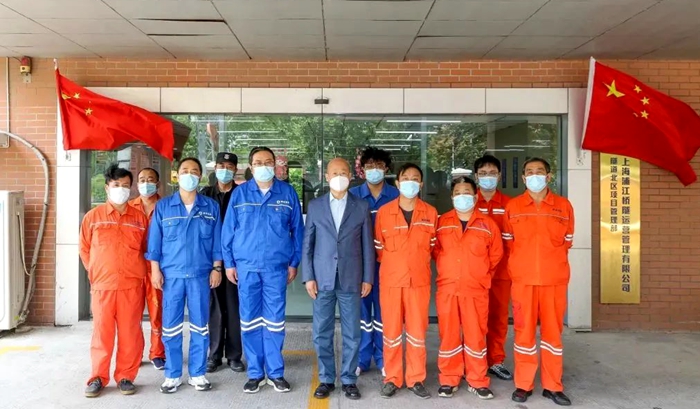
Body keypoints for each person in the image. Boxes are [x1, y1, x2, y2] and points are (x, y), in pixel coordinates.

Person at [222, 147, 304, 394]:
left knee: (275, 322)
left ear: (275, 165)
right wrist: (229, 263)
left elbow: (297, 231)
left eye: (268, 162)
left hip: (276, 268)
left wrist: (294, 262)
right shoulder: (240, 194)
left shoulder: (287, 193)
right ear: (250, 166)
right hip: (246, 268)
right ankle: (255, 373)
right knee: (249, 321)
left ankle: (276, 373)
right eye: (258, 162)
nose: (264, 166)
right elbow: (228, 230)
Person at [146, 157, 223, 394]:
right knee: (171, 327)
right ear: (177, 175)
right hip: (172, 276)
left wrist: (217, 268)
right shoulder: (163, 207)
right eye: (185, 170)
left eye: (194, 171)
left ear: (200, 176)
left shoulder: (210, 207)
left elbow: (217, 241)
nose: (189, 174)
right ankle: (172, 374)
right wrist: (155, 270)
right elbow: (154, 242)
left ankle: (197, 374)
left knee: (200, 326)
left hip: (201, 275)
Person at [502, 158, 574, 406]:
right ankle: (524, 384)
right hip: (523, 281)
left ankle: (553, 386)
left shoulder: (563, 206)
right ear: (523, 178)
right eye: (530, 172)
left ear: (549, 176)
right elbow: (509, 242)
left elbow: (567, 240)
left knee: (553, 334)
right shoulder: (513, 206)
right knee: (524, 334)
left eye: (539, 171)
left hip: (554, 280)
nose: (535, 176)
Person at [302, 158, 375, 401]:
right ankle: (326, 379)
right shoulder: (315, 206)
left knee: (352, 332)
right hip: (322, 278)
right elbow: (308, 244)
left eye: (343, 172)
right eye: (335, 173)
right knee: (321, 331)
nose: (339, 176)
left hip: (351, 278)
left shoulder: (361, 206)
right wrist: (308, 277)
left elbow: (367, 246)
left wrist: (367, 278)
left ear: (351, 176)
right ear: (326, 177)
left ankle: (349, 379)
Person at [79, 164, 148, 398]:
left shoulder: (139, 219)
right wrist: (95, 271)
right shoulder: (93, 217)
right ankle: (98, 377)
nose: (121, 189)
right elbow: (84, 248)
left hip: (131, 286)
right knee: (102, 333)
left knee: (130, 333)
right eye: (116, 185)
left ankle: (126, 376)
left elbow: (146, 249)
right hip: (103, 287)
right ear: (107, 187)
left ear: (131, 189)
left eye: (126, 185)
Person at [433, 177, 503, 400]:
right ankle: (449, 378)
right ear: (452, 196)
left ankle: (477, 379)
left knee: (476, 335)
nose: (462, 196)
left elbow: (495, 255)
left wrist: (479, 274)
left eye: (466, 192)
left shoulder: (488, 224)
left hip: (475, 289)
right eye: (457, 193)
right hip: (448, 288)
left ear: (475, 196)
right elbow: (436, 251)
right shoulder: (442, 222)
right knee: (449, 335)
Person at [374, 163, 438, 400]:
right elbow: (379, 247)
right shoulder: (384, 212)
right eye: (406, 178)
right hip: (391, 281)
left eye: (415, 178)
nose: (410, 182)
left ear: (421, 184)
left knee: (417, 332)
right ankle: (392, 378)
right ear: (397, 183)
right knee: (391, 332)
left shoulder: (430, 213)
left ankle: (415, 378)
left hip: (418, 281)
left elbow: (433, 246)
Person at [348, 147, 399, 378]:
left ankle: (383, 357)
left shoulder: (397, 196)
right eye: (369, 166)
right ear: (362, 170)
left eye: (379, 165)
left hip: (388, 264)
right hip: (359, 265)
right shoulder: (353, 195)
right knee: (360, 313)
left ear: (386, 168)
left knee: (384, 314)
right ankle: (362, 358)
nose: (374, 170)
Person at [200, 152, 245, 374]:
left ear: (235, 170)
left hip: (236, 261)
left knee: (234, 308)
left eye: (229, 166)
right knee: (215, 309)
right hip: (211, 261)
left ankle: (234, 356)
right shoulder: (205, 195)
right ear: (215, 168)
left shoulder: (242, 194)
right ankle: (214, 355)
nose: (224, 170)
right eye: (221, 165)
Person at [473, 155, 513, 381]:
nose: (487, 177)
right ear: (476, 176)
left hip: (502, 272)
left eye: (492, 173)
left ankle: (496, 360)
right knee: (473, 317)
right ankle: (474, 360)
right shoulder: (468, 202)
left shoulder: (510, 204)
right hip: (475, 273)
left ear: (499, 176)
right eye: (483, 173)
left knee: (498, 317)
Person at [128, 167, 166, 371]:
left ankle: (157, 352)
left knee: (157, 312)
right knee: (131, 315)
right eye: (142, 179)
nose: (146, 183)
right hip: (133, 269)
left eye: (150, 179)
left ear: (157, 183)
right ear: (136, 184)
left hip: (156, 268)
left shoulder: (165, 206)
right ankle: (133, 353)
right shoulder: (128, 207)